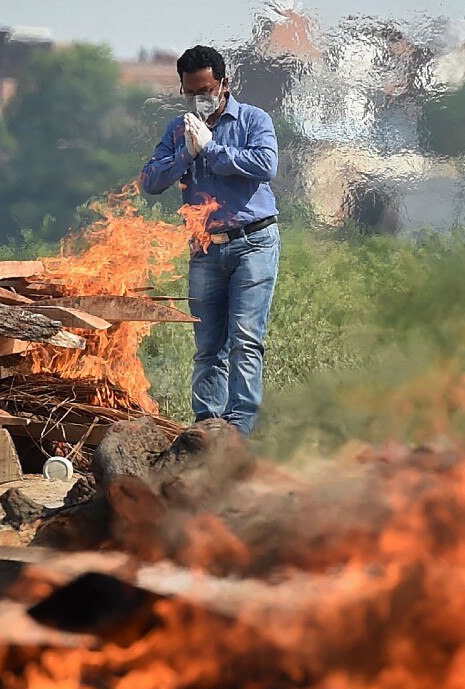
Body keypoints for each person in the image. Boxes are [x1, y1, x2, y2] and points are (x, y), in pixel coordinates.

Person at [140, 45, 280, 437]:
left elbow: (265, 165)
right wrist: (185, 153)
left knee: (245, 341)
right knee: (207, 347)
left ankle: (238, 430)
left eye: (206, 90)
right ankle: (207, 426)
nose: (200, 99)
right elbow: (150, 181)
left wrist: (212, 149)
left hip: (253, 242)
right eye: (190, 92)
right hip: (204, 248)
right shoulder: (177, 128)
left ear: (224, 84)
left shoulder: (254, 119)